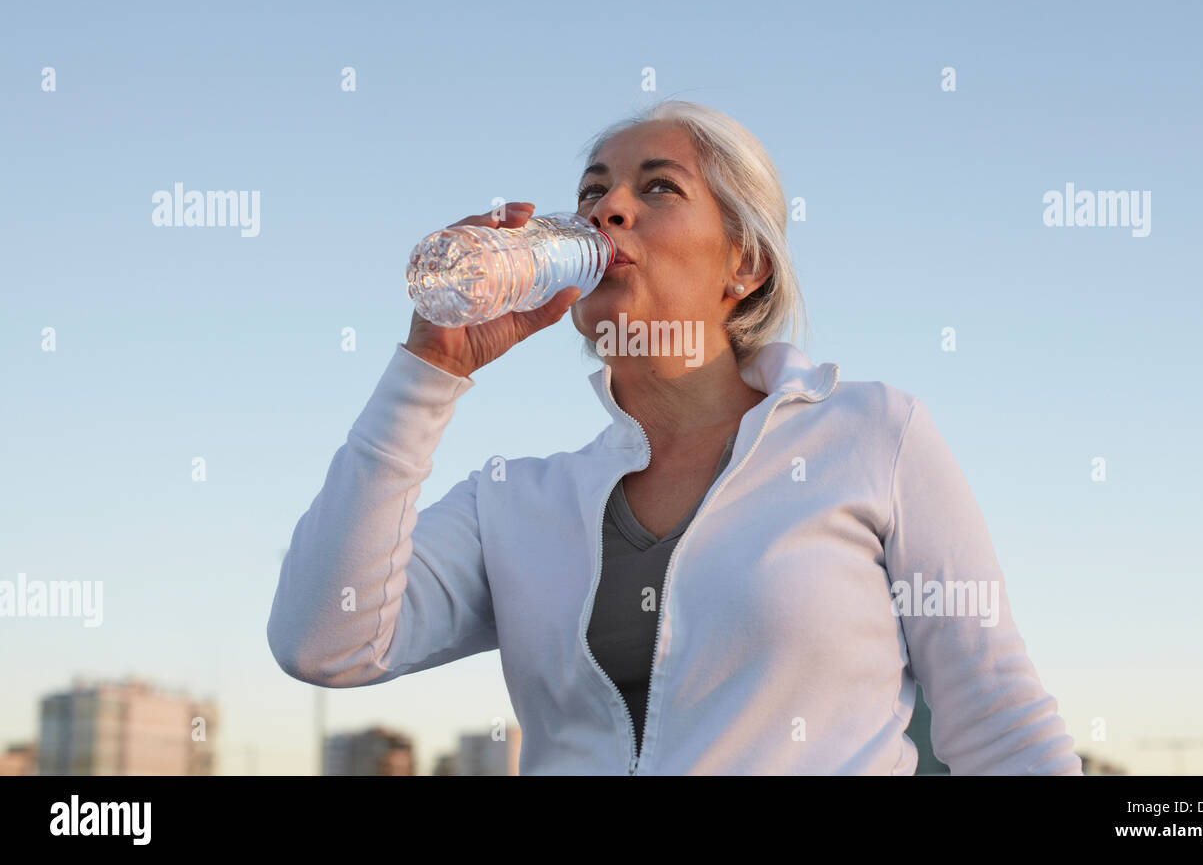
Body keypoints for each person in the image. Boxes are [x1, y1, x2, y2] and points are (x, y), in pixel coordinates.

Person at [267, 99, 1083, 775]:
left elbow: (1002, 727)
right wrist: (430, 368)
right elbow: (323, 641)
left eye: (658, 188)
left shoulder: (870, 436)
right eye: (593, 193)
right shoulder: (514, 500)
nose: (606, 209)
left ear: (745, 264)